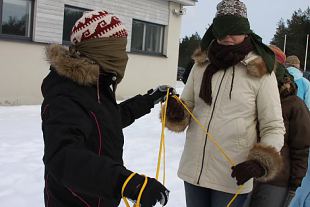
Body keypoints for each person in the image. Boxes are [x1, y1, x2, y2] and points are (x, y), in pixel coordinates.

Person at [41, 10, 173, 207]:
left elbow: (108, 120)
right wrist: (126, 182)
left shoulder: (96, 84)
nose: (123, 56)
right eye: (118, 49)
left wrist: (149, 100)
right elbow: (62, 156)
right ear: (101, 50)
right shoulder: (66, 93)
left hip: (101, 197)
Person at [163, 0, 285, 206]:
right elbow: (188, 106)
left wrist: (259, 162)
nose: (228, 36)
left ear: (245, 31)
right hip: (195, 171)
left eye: (234, 30)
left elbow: (273, 126)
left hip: (233, 175)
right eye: (223, 30)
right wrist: (177, 112)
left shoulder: (260, 70)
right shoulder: (201, 64)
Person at [244, 46, 310, 207]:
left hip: (276, 181)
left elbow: (302, 148)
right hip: (243, 174)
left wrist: (295, 185)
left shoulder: (294, 105)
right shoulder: (247, 97)